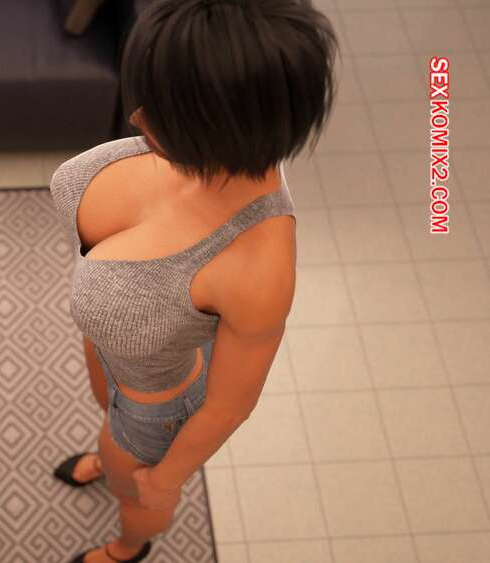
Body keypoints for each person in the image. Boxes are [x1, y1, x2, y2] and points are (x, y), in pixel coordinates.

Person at [49, 1, 337, 561]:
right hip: (114, 355)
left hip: (156, 402)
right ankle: (110, 452)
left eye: (162, 110)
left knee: (133, 488)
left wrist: (166, 478)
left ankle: (127, 548)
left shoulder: (258, 270)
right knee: (110, 428)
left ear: (221, 125)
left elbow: (229, 407)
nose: (137, 119)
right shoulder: (201, 143)